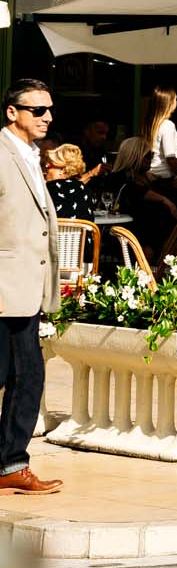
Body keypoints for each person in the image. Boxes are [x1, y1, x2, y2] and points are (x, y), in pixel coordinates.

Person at [0, 79, 61, 494]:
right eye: (38, 110)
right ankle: (9, 464)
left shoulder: (31, 155)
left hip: (24, 286)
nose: (47, 117)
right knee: (20, 375)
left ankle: (9, 465)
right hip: (5, 285)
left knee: (26, 376)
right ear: (12, 112)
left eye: (49, 109)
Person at [143, 85, 177, 187]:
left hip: (151, 176)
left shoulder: (152, 124)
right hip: (165, 179)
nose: (176, 102)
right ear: (169, 102)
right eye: (175, 99)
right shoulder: (167, 125)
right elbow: (170, 157)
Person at [41, 142, 93, 221]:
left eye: (48, 166)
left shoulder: (47, 189)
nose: (44, 172)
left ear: (62, 169)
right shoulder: (86, 191)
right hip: (82, 233)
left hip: (54, 233)